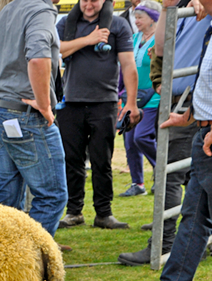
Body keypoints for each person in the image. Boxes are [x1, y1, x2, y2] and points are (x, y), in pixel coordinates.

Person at [0, 0, 78, 281]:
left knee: (5, 198)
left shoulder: (7, 10)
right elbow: (38, 57)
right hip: (25, 114)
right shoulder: (40, 10)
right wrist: (45, 104)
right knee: (52, 196)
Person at [122, 0, 212, 281]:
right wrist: (190, 115)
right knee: (195, 214)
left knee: (200, 212)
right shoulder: (210, 28)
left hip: (211, 132)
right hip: (202, 127)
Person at [56, 0, 140, 231]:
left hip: (104, 102)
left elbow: (128, 65)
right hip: (71, 101)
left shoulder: (118, 25)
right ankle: (74, 212)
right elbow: (55, 51)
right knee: (71, 160)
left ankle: (104, 213)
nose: (88, 4)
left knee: (102, 160)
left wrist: (131, 102)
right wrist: (89, 40)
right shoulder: (65, 23)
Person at [119, 1, 161, 199]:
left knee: (141, 137)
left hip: (153, 97)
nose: (136, 21)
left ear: (153, 18)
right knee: (129, 141)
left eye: (140, 17)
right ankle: (138, 183)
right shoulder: (134, 38)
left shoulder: (160, 39)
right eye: (135, 17)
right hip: (132, 97)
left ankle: (162, 172)